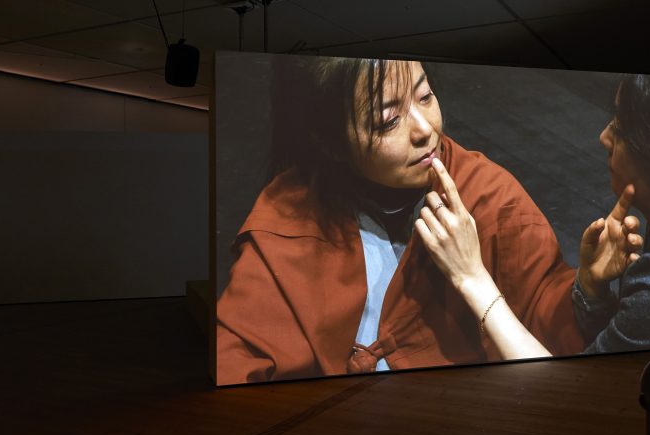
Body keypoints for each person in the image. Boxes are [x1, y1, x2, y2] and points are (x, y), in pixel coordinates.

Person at [216, 58, 587, 385]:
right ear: (330, 143)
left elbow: (541, 314)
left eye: (425, 96)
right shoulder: (289, 214)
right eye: (388, 120)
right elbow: (236, 360)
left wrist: (590, 291)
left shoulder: (488, 194)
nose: (424, 128)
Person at [416, 74, 650, 359]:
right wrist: (592, 291)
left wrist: (471, 277)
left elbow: (575, 392)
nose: (604, 138)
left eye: (621, 131)